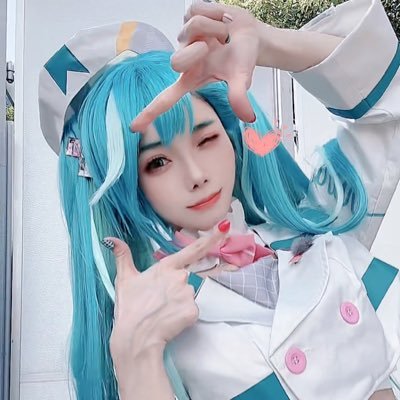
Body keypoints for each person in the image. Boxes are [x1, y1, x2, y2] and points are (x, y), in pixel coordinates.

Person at [37, 0, 400, 399]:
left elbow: (384, 114)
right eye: (157, 162)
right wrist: (136, 356)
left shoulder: (317, 224)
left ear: (230, 135)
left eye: (206, 138)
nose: (196, 175)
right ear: (128, 186)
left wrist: (270, 44)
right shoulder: (157, 324)